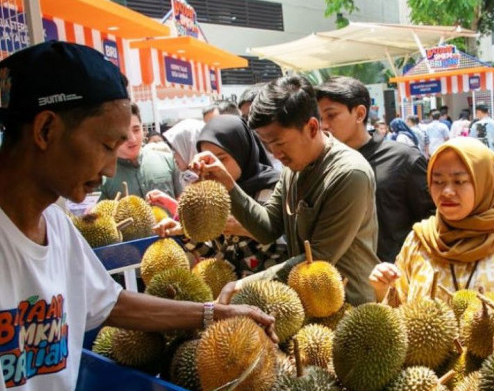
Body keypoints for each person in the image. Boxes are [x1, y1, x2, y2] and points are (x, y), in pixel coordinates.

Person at [0, 41, 276, 391]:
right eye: (107, 146)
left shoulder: (56, 225)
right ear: (45, 130)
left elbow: (110, 303)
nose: (112, 167)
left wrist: (214, 314)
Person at [190, 76, 379, 306]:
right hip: (306, 304)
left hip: (349, 307)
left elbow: (317, 258)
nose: (275, 154)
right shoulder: (293, 168)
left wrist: (242, 285)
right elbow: (268, 228)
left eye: (279, 143)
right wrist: (228, 184)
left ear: (311, 127)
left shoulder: (349, 174)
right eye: (268, 145)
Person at [369, 138, 494, 305]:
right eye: (438, 182)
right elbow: (398, 311)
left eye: (459, 181)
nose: (447, 192)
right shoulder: (419, 241)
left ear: (485, 182)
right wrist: (382, 289)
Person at [316, 77, 434, 263]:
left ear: (360, 114)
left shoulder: (404, 159)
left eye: (331, 115)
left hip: (395, 278)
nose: (324, 125)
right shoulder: (323, 164)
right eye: (320, 118)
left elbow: (431, 222)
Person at [155, 115, 287, 278]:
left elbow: (288, 244)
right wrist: (185, 232)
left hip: (275, 287)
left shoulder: (275, 188)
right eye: (208, 160)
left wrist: (247, 229)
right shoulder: (216, 195)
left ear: (242, 153)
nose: (215, 168)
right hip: (235, 294)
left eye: (222, 159)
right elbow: (217, 255)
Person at [99, 103, 182, 200]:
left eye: (136, 130)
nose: (132, 139)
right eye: (123, 133)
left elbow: (182, 204)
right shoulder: (102, 178)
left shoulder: (167, 160)